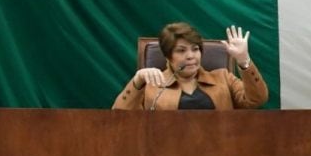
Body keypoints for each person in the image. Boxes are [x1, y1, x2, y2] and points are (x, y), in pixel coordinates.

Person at [113, 23, 269, 110]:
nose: (190, 56)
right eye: (181, 50)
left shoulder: (223, 78)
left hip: (220, 153)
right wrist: (138, 81)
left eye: (195, 49)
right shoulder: (152, 87)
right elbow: (119, 116)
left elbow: (257, 100)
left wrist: (244, 61)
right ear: (168, 56)